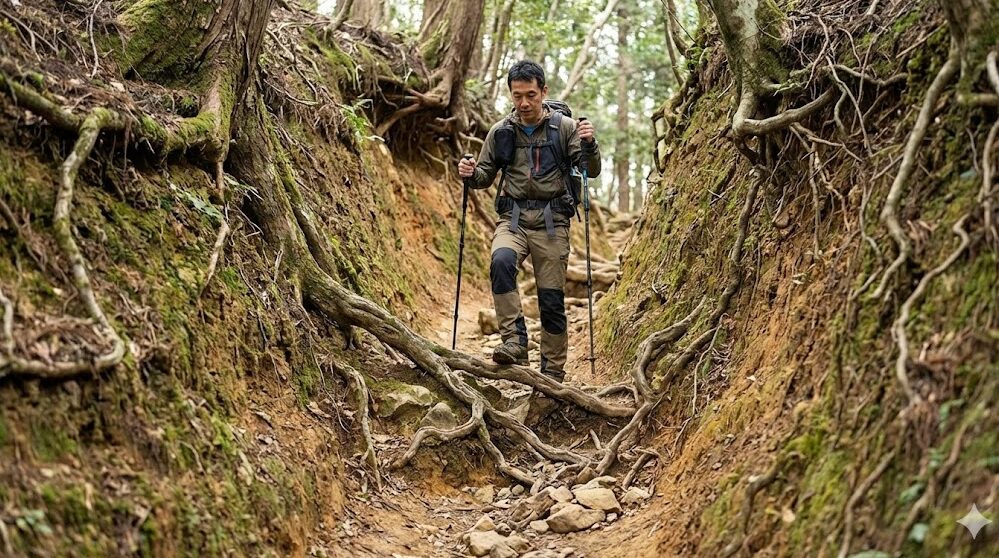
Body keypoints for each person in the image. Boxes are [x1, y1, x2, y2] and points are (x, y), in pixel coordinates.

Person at [458, 60, 601, 382]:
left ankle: (552, 371)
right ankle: (515, 341)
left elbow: (590, 170)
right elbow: (483, 176)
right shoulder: (501, 132)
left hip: (553, 222)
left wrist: (590, 144)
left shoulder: (564, 129)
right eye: (517, 95)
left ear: (543, 92)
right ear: (510, 94)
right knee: (501, 261)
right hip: (514, 218)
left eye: (531, 95)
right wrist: (469, 173)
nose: (524, 103)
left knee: (551, 299)